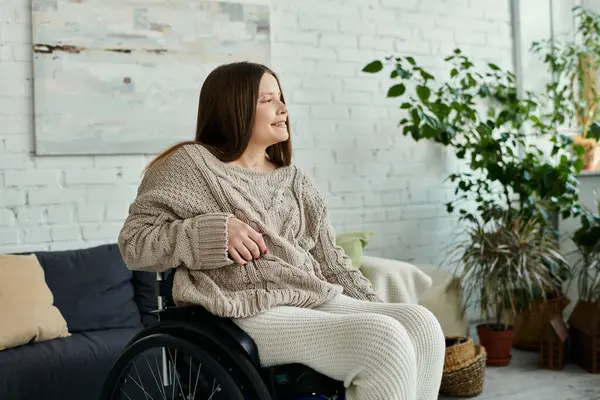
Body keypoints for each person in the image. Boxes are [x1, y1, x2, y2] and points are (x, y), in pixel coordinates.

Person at [118, 61, 445, 400]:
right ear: (236, 107)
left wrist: (377, 310)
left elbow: (331, 263)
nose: (283, 109)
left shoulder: (294, 180)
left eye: (280, 98)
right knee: (384, 341)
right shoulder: (191, 165)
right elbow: (134, 244)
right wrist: (213, 232)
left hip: (309, 297)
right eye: (267, 100)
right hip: (240, 309)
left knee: (420, 325)